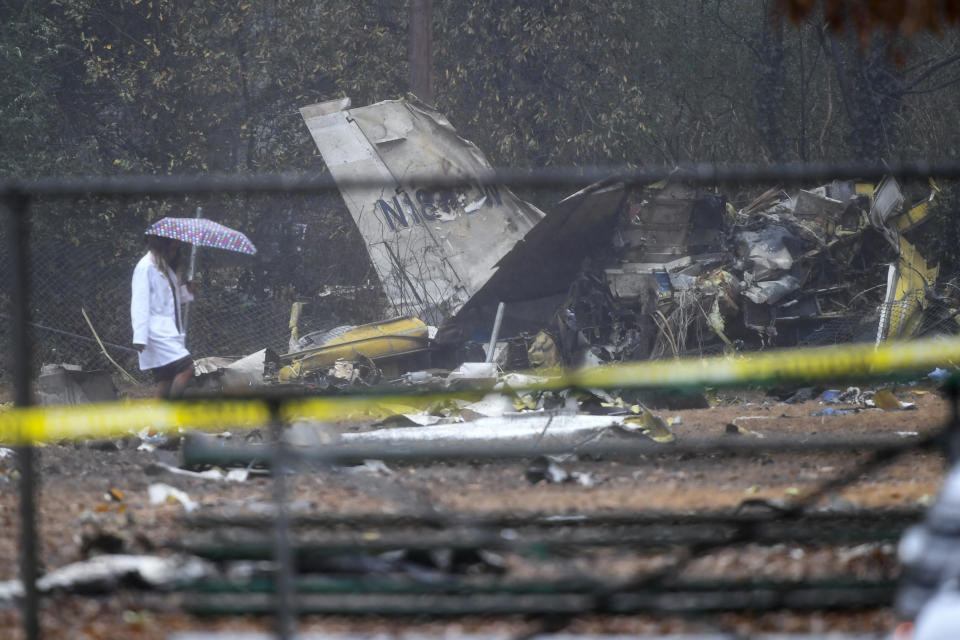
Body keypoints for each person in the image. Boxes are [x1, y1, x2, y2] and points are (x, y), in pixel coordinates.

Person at [131, 234, 196, 398]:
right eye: (173, 247)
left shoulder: (163, 268)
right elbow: (139, 303)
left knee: (165, 380)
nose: (175, 252)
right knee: (186, 367)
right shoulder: (145, 267)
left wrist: (186, 292)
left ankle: (156, 424)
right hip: (155, 332)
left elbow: (166, 301)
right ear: (163, 245)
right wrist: (139, 336)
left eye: (177, 248)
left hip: (167, 330)